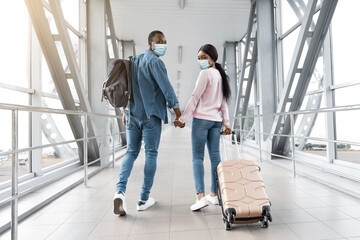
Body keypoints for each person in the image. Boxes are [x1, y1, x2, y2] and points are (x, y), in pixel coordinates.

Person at [113, 30, 181, 216]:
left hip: (132, 115)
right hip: (150, 116)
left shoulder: (132, 61)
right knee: (151, 153)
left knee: (131, 153)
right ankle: (143, 199)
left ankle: (119, 191)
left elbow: (125, 87)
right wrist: (178, 113)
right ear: (151, 43)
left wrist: (125, 110)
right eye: (160, 41)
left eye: (165, 42)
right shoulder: (155, 62)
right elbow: (167, 89)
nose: (163, 45)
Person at [174, 44, 232, 211]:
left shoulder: (205, 73)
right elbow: (223, 103)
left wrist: (182, 118)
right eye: (199, 58)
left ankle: (200, 197)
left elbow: (195, 97)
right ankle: (214, 194)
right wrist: (226, 123)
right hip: (216, 121)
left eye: (204, 57)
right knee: (215, 156)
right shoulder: (222, 76)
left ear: (212, 58)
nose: (201, 61)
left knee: (197, 158)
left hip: (201, 121)